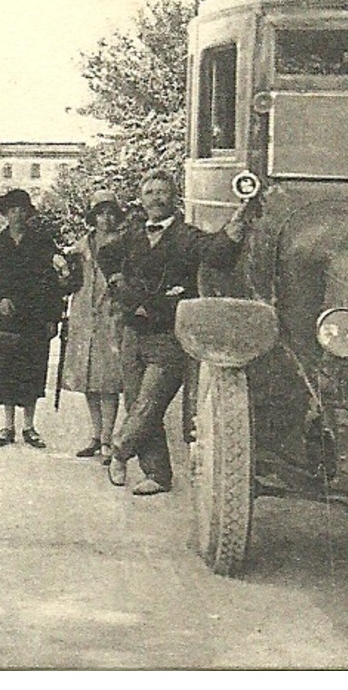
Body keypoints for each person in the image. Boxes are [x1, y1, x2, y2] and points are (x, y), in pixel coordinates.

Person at [101, 173, 252, 496]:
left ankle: (118, 451)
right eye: (149, 192)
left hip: (169, 336)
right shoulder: (132, 235)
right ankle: (157, 475)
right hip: (133, 333)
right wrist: (117, 286)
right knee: (137, 403)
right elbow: (106, 256)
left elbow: (217, 253)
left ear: (174, 198)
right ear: (141, 199)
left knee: (150, 403)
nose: (155, 198)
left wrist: (234, 232)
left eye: (162, 192)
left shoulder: (186, 236)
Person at [0, 189, 74, 449]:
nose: (17, 215)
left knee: (32, 370)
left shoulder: (42, 243)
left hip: (35, 318)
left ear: (28, 213)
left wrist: (53, 316)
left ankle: (29, 426)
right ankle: (8, 426)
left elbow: (55, 281)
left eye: (22, 209)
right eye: (13, 210)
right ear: (5, 213)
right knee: (5, 370)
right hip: (5, 319)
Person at [61, 189, 127, 464]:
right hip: (84, 316)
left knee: (108, 381)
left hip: (111, 315)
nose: (106, 218)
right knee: (88, 379)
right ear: (93, 217)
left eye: (111, 213)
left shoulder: (124, 243)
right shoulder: (84, 243)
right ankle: (96, 435)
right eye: (101, 213)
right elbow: (69, 273)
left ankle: (109, 440)